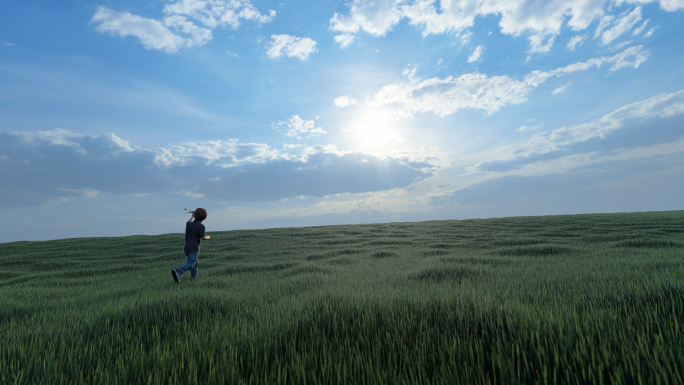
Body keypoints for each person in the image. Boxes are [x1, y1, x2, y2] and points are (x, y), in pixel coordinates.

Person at [172, 208, 210, 283]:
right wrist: (208, 237)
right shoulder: (201, 226)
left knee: (195, 263)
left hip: (186, 247)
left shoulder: (189, 224)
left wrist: (192, 216)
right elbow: (202, 237)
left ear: (195, 215)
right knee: (192, 264)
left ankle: (194, 278)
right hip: (194, 248)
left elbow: (188, 221)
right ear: (204, 217)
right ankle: (179, 271)